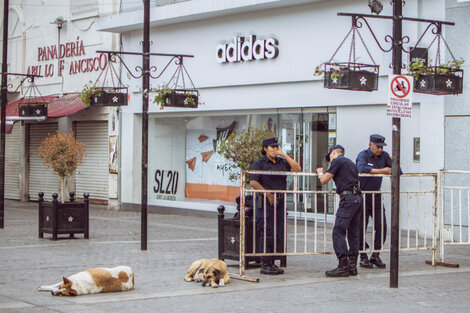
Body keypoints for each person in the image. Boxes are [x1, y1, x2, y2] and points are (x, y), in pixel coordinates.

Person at [250, 137, 301, 275]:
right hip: (266, 202)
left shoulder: (281, 162)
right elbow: (253, 182)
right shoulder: (259, 163)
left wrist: (284, 155)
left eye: (276, 147)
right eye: (272, 147)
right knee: (267, 232)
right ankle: (265, 263)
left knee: (277, 232)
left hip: (280, 201)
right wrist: (268, 194)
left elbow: (297, 169)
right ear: (265, 148)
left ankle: (272, 262)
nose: (274, 150)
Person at [317, 145, 362, 277]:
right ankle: (353, 266)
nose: (330, 161)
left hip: (348, 199)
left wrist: (320, 172)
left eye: (330, 158)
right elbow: (358, 184)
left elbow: (324, 180)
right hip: (357, 198)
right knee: (353, 233)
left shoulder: (338, 161)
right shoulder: (351, 164)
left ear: (333, 153)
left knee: (338, 231)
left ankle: (343, 265)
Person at [355, 134, 392, 269]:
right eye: (378, 147)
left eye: (382, 147)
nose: (380, 150)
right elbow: (361, 168)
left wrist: (390, 169)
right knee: (361, 227)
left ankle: (375, 255)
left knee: (381, 226)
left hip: (375, 195)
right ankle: (363, 255)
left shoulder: (385, 156)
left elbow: (397, 169)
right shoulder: (363, 155)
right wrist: (382, 170)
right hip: (363, 195)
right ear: (370, 145)